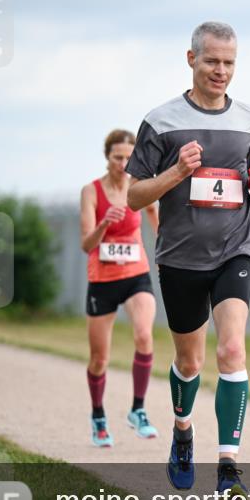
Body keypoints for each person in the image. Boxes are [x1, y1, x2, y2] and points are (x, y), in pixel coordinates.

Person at [126, 21, 250, 494]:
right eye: (212, 60)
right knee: (189, 362)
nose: (221, 71)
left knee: (231, 349)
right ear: (191, 59)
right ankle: (183, 431)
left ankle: (229, 466)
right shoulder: (161, 121)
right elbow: (133, 196)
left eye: (229, 62)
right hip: (180, 258)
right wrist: (175, 172)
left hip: (234, 250)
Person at [80, 129, 160, 447]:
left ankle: (138, 410)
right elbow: (86, 243)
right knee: (100, 358)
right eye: (118, 157)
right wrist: (104, 223)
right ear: (107, 157)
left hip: (136, 274)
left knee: (144, 335)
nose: (124, 163)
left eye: (129, 157)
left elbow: (156, 217)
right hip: (102, 280)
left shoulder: (139, 187)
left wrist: (167, 253)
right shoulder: (91, 192)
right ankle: (98, 416)